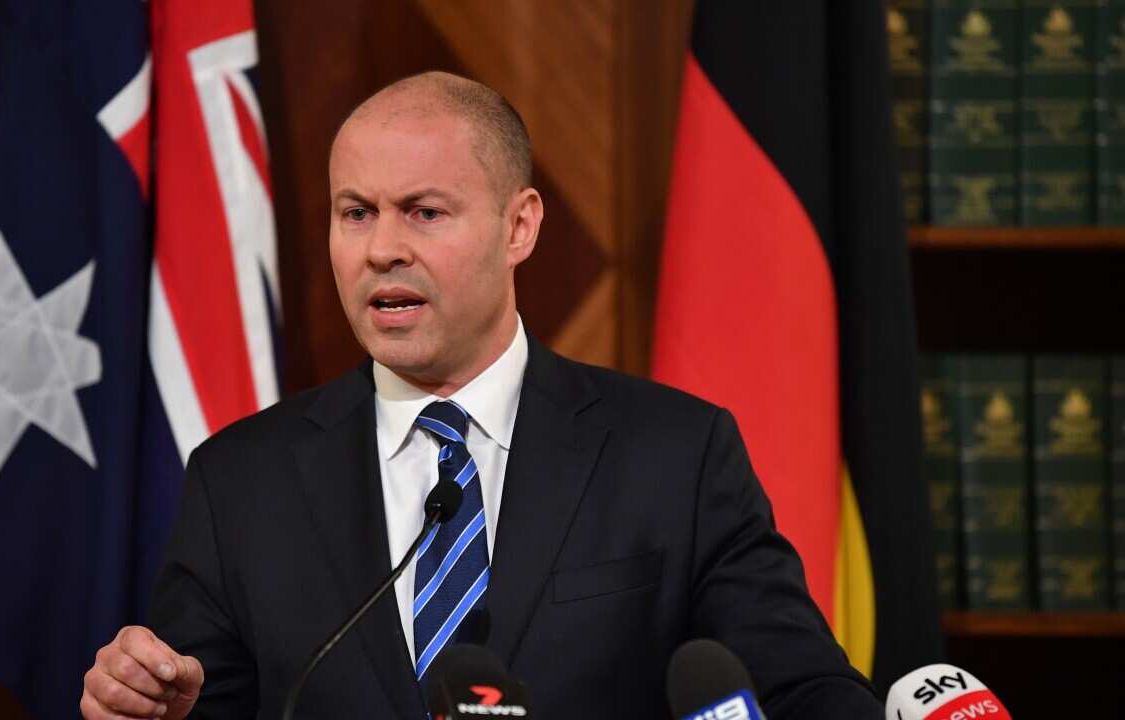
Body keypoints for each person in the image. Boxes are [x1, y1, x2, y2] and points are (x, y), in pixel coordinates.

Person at [80, 71, 883, 719]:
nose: (382, 249)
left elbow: (801, 689)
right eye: (354, 213)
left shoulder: (676, 456)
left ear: (518, 227)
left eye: (424, 212)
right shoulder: (241, 479)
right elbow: (198, 701)